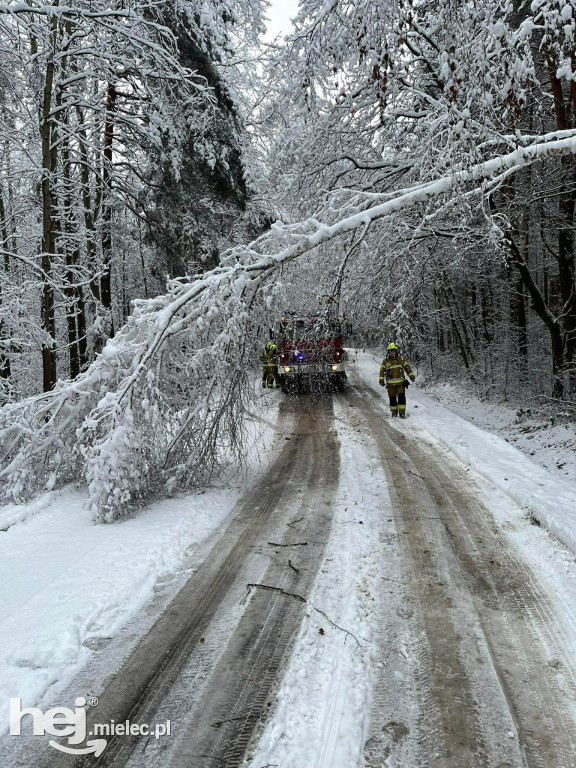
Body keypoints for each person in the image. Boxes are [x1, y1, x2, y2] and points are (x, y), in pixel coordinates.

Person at [379, 342, 415, 418]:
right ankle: (394, 412)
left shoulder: (400, 359)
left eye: (394, 351)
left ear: (396, 351)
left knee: (401, 397)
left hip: (400, 384)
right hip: (390, 385)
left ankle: (402, 413)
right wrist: (381, 381)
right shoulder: (385, 361)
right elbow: (382, 371)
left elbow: (407, 368)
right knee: (392, 399)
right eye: (391, 351)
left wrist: (411, 376)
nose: (393, 353)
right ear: (388, 352)